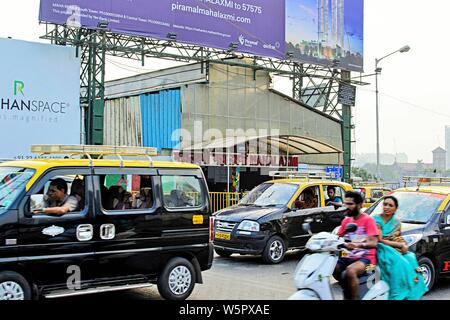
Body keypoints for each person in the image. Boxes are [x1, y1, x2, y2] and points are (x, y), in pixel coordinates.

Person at [373, 196, 428, 300]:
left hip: (393, 246)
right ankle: (397, 293)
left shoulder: (396, 222)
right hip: (381, 248)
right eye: (385, 204)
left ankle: (412, 293)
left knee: (411, 257)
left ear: (395, 209)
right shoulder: (376, 219)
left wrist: (403, 245)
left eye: (390, 205)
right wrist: (399, 245)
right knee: (399, 261)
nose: (387, 207)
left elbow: (397, 238)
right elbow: (380, 240)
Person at [333, 191, 379, 300]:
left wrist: (358, 245)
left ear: (359, 205)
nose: (346, 207)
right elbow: (338, 237)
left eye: (350, 204)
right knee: (331, 267)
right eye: (345, 203)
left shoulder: (368, 220)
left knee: (351, 271)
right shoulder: (346, 221)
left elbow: (374, 242)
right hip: (348, 256)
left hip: (366, 258)